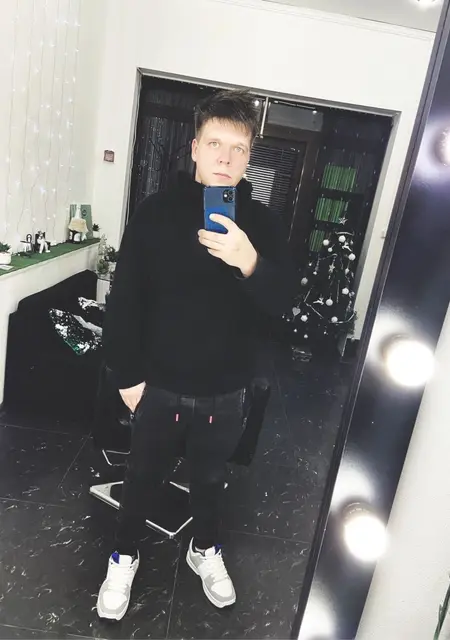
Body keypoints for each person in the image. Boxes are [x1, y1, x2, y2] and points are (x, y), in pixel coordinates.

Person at [96, 89, 296, 620]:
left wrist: (250, 262)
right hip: (157, 383)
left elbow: (282, 304)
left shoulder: (264, 226)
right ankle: (123, 555)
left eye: (238, 148)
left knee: (210, 481)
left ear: (249, 156)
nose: (225, 158)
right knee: (141, 478)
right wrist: (126, 376)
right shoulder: (155, 213)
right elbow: (125, 300)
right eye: (215, 144)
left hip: (226, 388)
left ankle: (203, 549)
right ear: (194, 148)